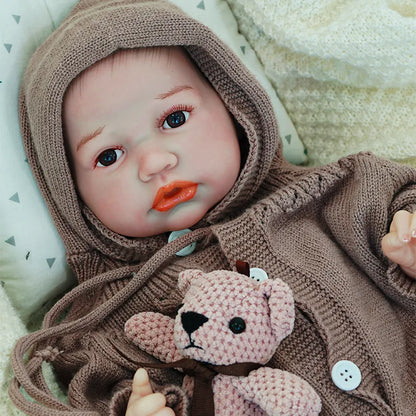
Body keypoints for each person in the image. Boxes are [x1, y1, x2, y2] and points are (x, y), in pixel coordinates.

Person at [9, 0, 416, 415]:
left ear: (232, 105)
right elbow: (98, 394)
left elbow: (403, 196)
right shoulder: (102, 324)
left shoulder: (331, 194)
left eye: (174, 119)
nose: (154, 163)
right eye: (109, 155)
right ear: (70, 195)